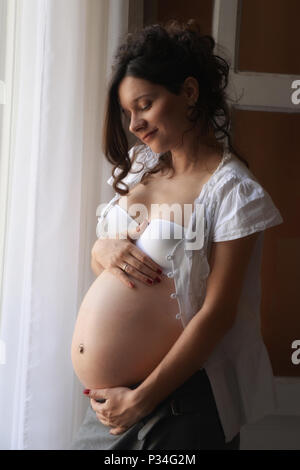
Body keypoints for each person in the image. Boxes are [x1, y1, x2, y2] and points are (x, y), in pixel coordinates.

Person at [69, 19, 283, 450]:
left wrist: (142, 400)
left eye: (144, 105)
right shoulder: (139, 166)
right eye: (129, 112)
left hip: (176, 403)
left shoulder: (231, 191)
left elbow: (217, 315)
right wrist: (101, 248)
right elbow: (124, 270)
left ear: (188, 92)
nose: (135, 124)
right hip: (110, 405)